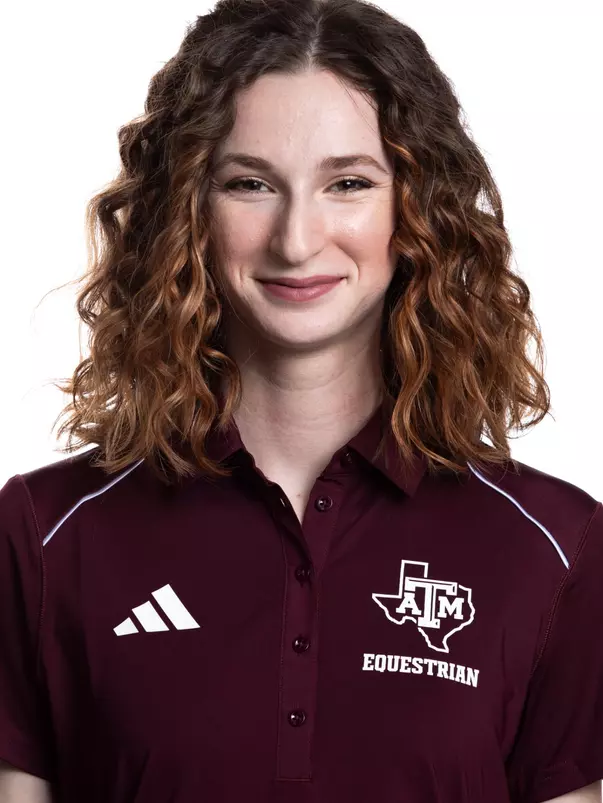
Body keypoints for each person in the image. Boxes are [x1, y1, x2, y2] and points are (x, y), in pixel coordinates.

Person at [1, 0, 602, 801]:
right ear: (186, 209)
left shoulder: (553, 547)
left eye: (347, 183)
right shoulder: (45, 535)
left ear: (418, 208)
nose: (295, 239)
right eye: (249, 183)